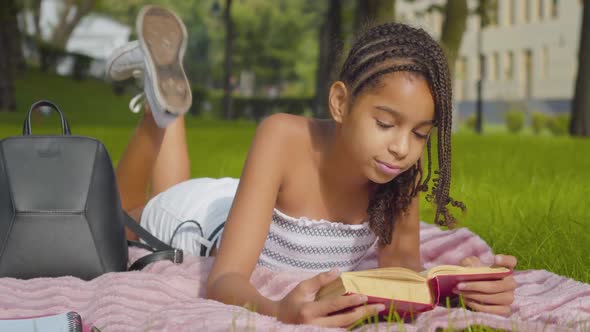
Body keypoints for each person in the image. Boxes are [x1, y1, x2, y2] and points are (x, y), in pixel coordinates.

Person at [109, 5, 517, 328]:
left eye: (420, 134)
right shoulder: (282, 135)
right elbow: (223, 279)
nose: (401, 148)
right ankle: (158, 111)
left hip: (247, 202)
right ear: (340, 102)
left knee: (166, 185)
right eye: (385, 123)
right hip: (199, 220)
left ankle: (168, 111)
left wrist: (459, 287)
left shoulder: (397, 174)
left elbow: (403, 276)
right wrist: (274, 309)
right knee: (126, 217)